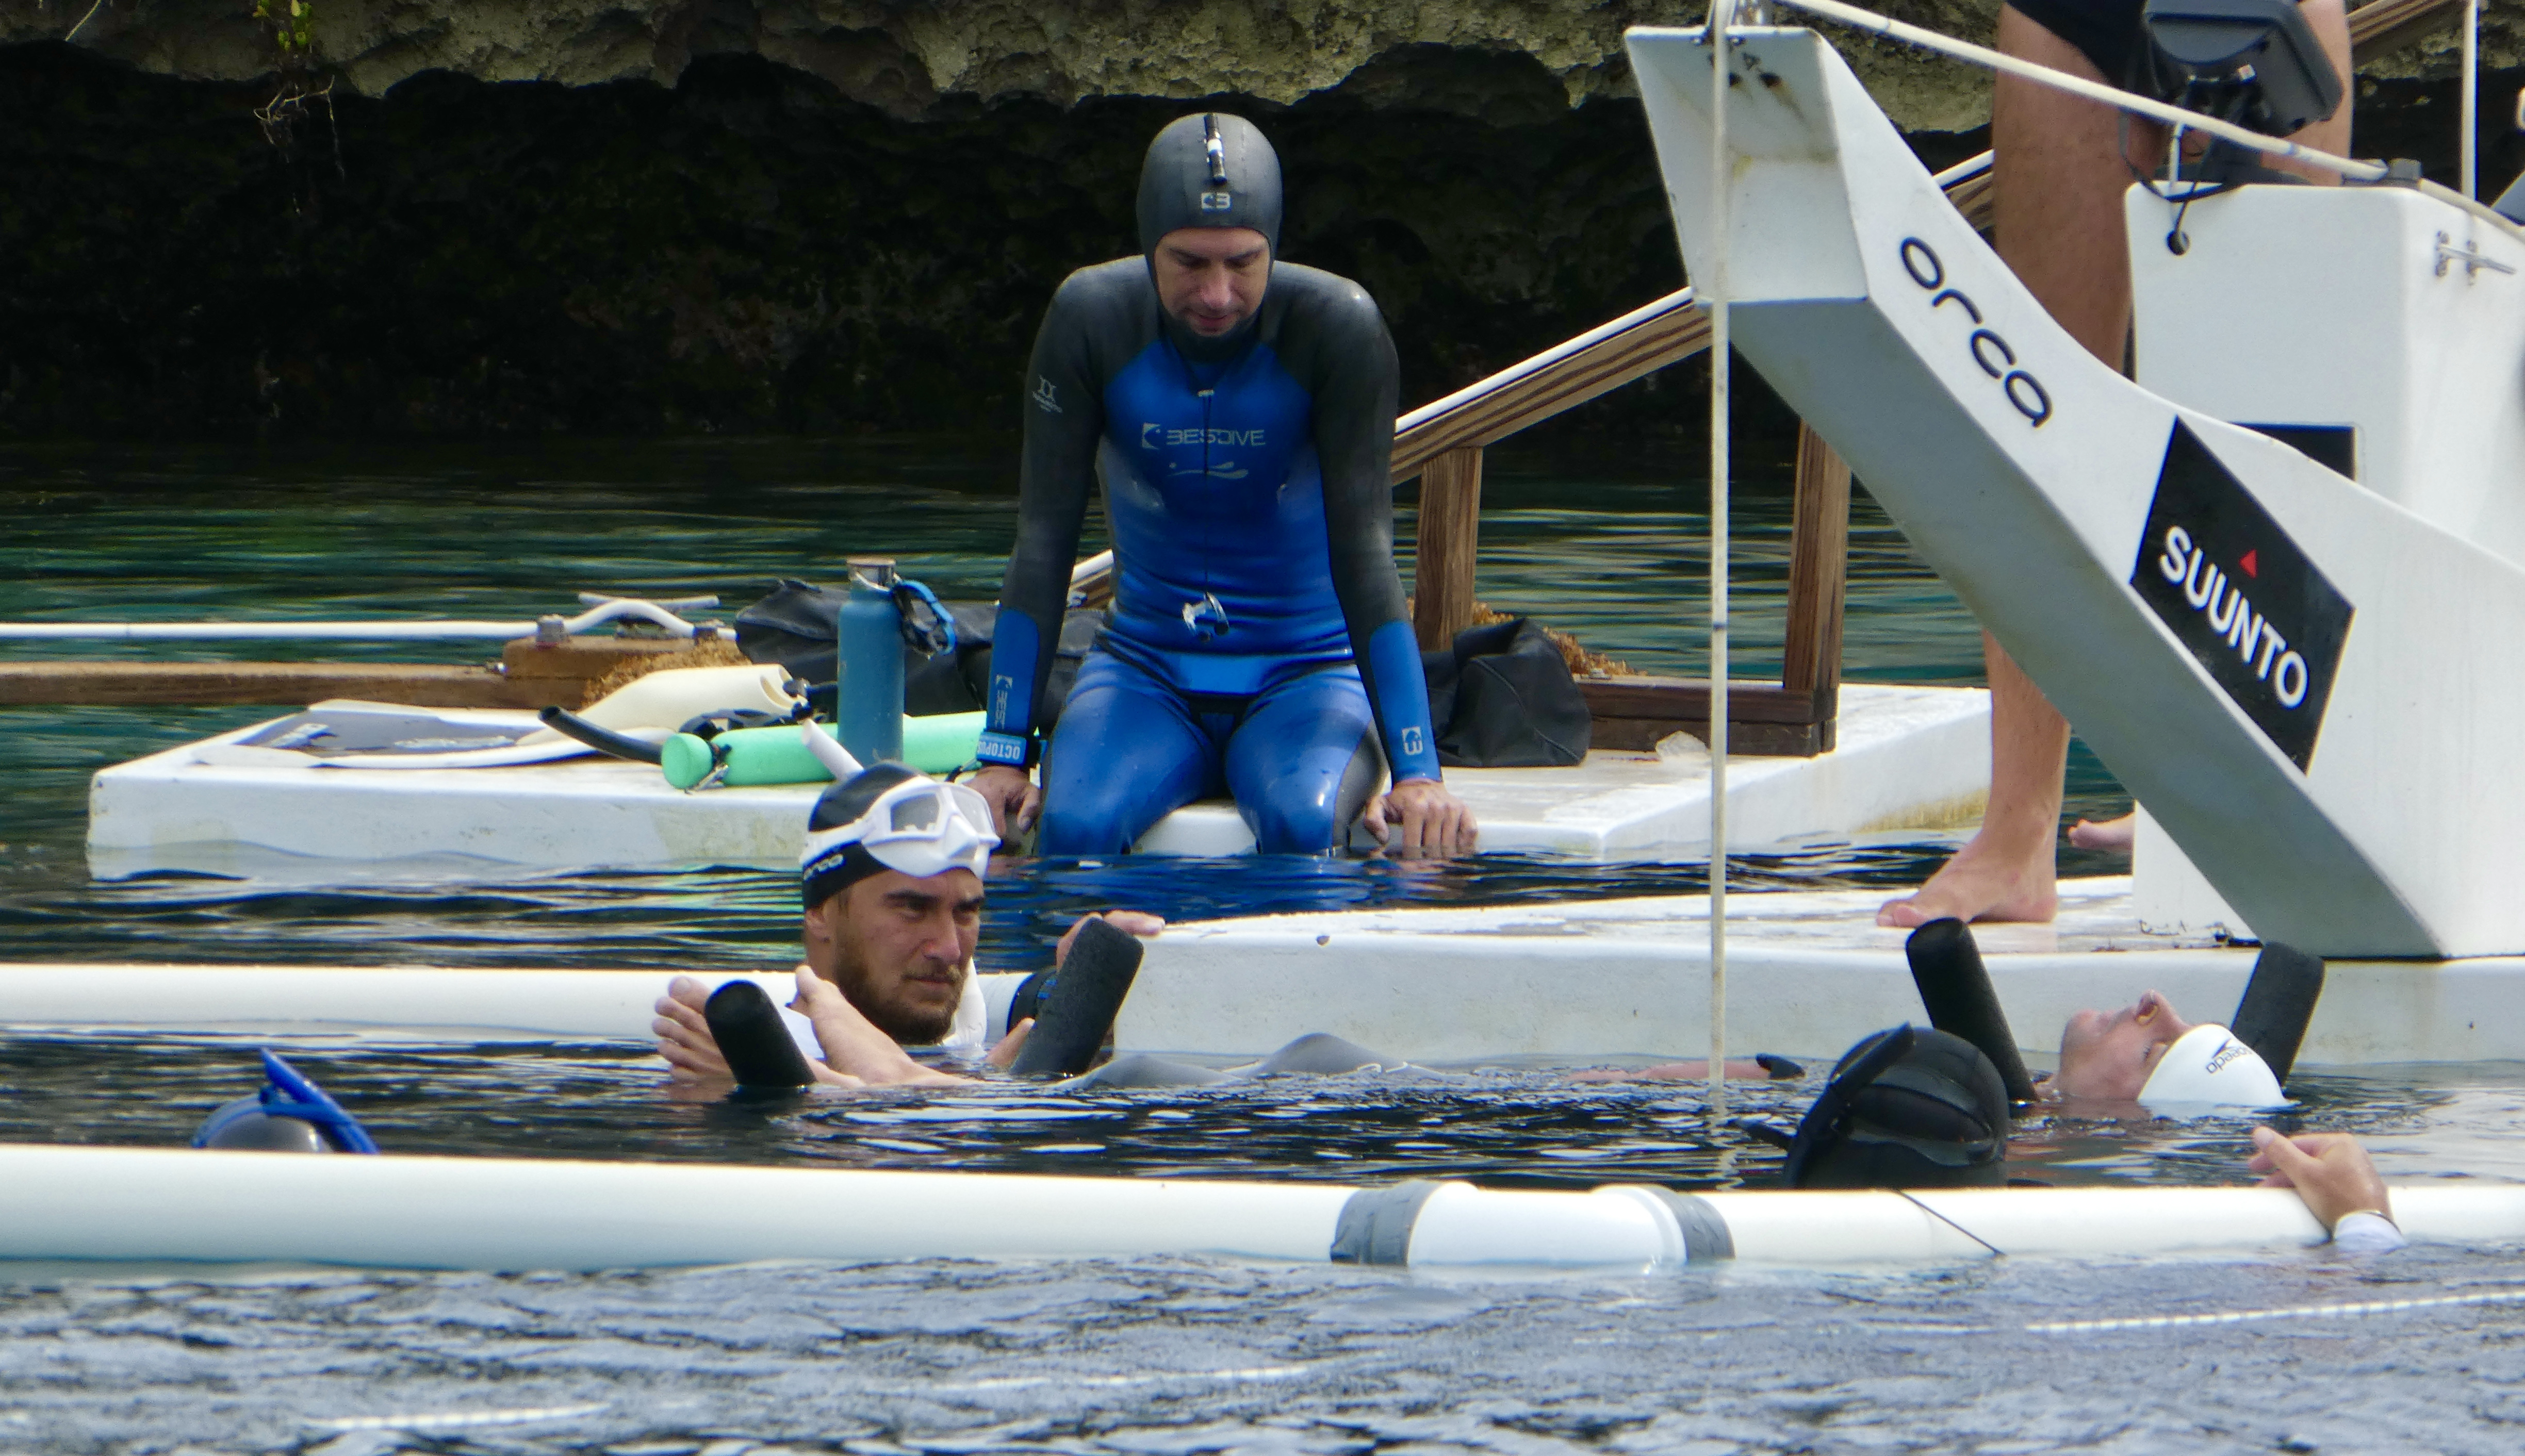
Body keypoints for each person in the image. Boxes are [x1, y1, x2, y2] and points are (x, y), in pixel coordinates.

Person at [1879, 0, 2353, 928]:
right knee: (2033, 398)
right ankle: (2017, 830)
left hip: (2269, 12)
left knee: (2259, 425)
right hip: (2071, 13)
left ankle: (2210, 796)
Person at [968, 112, 1477, 861]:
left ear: (1275, 246)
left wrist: (1418, 772)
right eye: (1189, 263)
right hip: (1144, 672)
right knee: (1074, 832)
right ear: (1148, 246)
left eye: (1243, 262)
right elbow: (1044, 541)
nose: (1217, 294)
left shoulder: (1336, 326)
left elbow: (1367, 550)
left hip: (1308, 675)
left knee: (1305, 829)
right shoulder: (1090, 319)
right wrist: (1003, 753)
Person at [652, 763, 1162, 1089]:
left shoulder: (966, 1029)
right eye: (912, 909)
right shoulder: (733, 1059)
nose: (948, 948)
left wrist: (1090, 990)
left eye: (966, 912)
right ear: (821, 911)